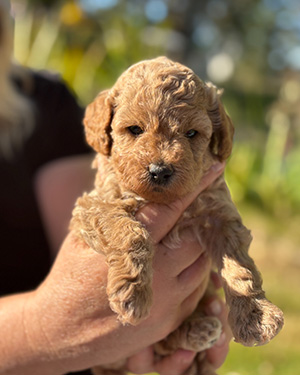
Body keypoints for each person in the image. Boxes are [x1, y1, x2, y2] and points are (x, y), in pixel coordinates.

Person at [0, 2, 231, 374]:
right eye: (134, 131)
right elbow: (71, 321)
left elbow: (89, 236)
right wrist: (39, 331)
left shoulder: (45, 103)